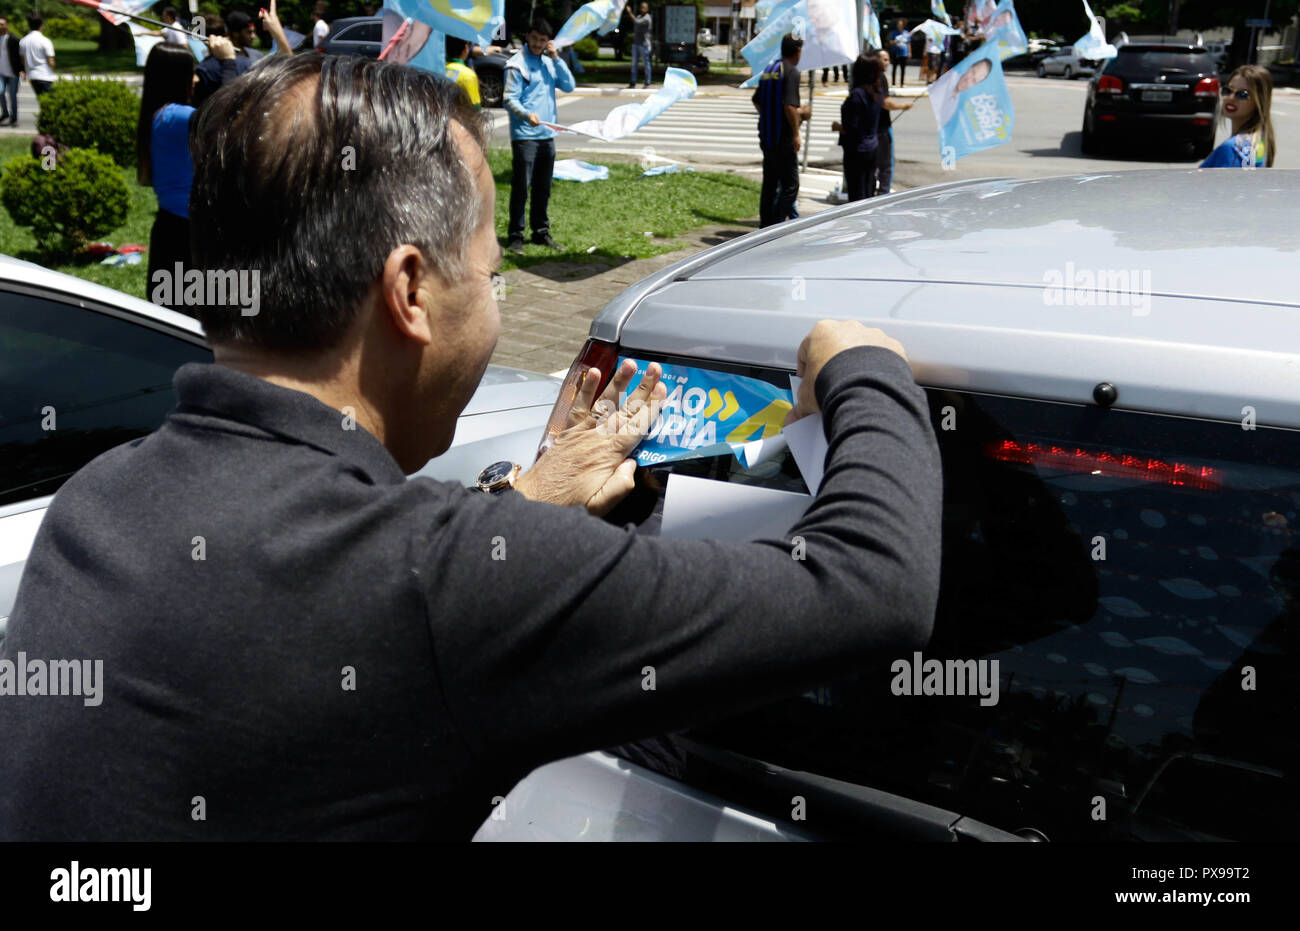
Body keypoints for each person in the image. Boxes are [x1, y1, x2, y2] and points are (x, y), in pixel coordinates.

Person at [0, 52, 942, 841]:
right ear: (410, 291)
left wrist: (520, 513)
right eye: (494, 275)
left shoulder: (103, 496)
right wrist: (861, 365)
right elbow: (874, 588)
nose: (500, 305)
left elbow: (319, 626)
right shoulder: (440, 581)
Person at [137, 38, 238, 313]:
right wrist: (227, 61)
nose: (195, 78)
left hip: (173, 230)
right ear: (176, 78)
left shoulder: (162, 115)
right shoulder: (176, 118)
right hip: (186, 236)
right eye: (190, 72)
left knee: (177, 317)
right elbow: (227, 113)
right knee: (195, 320)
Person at [503, 18, 574, 253]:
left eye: (542, 40)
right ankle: (515, 235)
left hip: (546, 135)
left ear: (548, 42)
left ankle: (540, 233)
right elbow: (509, 99)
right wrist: (526, 115)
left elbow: (569, 86)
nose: (537, 44)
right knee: (522, 187)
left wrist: (556, 58)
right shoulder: (517, 64)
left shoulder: (548, 62)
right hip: (525, 135)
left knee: (543, 187)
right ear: (527, 36)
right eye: (534, 39)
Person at [752, 34, 809, 228]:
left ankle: (765, 225)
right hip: (782, 138)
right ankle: (775, 226)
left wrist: (770, 114)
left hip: (767, 136)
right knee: (790, 187)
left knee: (769, 185)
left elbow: (757, 100)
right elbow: (789, 106)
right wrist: (796, 133)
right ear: (798, 51)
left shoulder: (770, 69)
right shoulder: (791, 71)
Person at [192, 2, 291, 108]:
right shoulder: (215, 64)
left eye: (254, 32)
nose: (253, 36)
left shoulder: (257, 55)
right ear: (235, 33)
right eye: (248, 32)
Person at [1201, 65, 1275, 168]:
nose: (1231, 98)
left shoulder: (1232, 148)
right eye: (1227, 91)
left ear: (1259, 102)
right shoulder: (1260, 142)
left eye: (1242, 94)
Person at [872, 49, 915, 197]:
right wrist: (903, 106)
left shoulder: (869, 76)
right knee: (886, 165)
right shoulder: (879, 77)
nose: (888, 63)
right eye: (884, 60)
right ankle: (883, 196)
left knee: (875, 165)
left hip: (873, 127)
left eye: (888, 59)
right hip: (882, 127)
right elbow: (885, 103)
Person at [840, 55, 883, 201]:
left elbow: (852, 128)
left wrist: (838, 127)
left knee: (856, 193)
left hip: (856, 150)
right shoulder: (878, 92)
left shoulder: (857, 95)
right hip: (872, 146)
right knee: (869, 190)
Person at [18, 15, 54, 96]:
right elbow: (51, 62)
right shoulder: (46, 41)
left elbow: (22, 61)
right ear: (41, 26)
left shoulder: (23, 41)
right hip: (45, 76)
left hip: (31, 77)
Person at [445, 35, 481, 109]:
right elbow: (475, 107)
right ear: (466, 49)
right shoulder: (467, 75)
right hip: (460, 118)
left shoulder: (435, 70)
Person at [0, 17, 24, 126]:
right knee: (0, 92)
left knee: (12, 95)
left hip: (13, 73)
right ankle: (5, 113)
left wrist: (22, 70)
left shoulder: (14, 39)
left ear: (7, 25)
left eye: (2, 24)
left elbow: (20, 56)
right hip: (1, 73)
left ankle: (14, 117)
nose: (0, 26)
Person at [627, 2, 652, 89]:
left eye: (644, 8)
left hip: (644, 44)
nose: (642, 9)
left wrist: (630, 12)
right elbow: (636, 21)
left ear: (647, 9)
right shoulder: (638, 16)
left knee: (646, 64)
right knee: (634, 64)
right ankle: (633, 82)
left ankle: (647, 81)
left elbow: (637, 22)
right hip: (636, 43)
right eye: (641, 7)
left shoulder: (647, 18)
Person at [890, 18, 909, 86]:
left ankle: (902, 83)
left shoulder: (906, 33)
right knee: (894, 68)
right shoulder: (894, 32)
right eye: (898, 24)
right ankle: (893, 82)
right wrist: (895, 41)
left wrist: (909, 52)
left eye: (900, 24)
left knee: (903, 69)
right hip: (895, 52)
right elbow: (890, 42)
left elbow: (908, 43)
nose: (899, 25)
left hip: (904, 53)